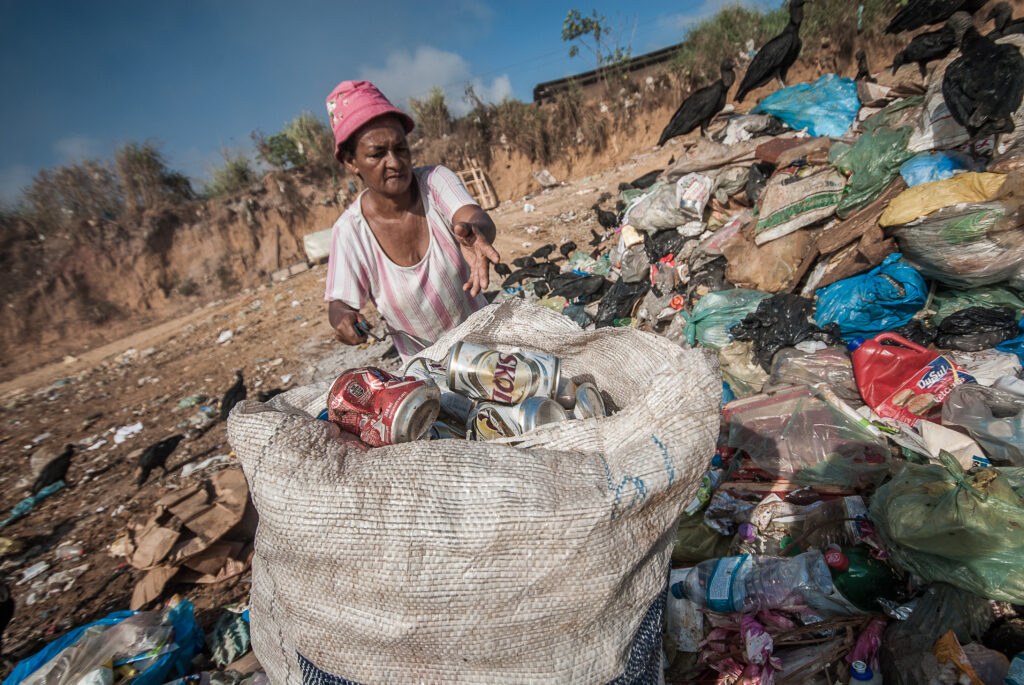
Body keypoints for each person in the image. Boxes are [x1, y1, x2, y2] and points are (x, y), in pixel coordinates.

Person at [323, 80, 500, 362]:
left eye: (401, 149)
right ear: (351, 162)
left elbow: (472, 217)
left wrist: (478, 231)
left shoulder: (434, 181)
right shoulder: (350, 231)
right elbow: (339, 302)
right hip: (427, 376)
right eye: (377, 154)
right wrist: (343, 318)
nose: (394, 162)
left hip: (489, 351)